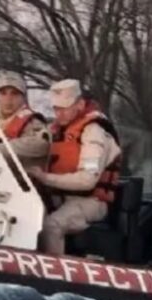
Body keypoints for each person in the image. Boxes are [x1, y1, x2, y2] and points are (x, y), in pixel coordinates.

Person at [28, 78, 122, 255]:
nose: (59, 114)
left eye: (64, 108)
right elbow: (32, 145)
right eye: (56, 109)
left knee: (51, 226)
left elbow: (87, 180)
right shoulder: (56, 129)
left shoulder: (94, 132)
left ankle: (53, 278)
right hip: (59, 198)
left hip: (90, 202)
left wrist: (45, 178)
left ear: (79, 104)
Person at [0, 71, 49, 168]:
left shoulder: (32, 122)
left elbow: (41, 145)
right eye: (3, 93)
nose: (8, 99)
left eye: (14, 94)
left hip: (18, 179)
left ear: (23, 98)